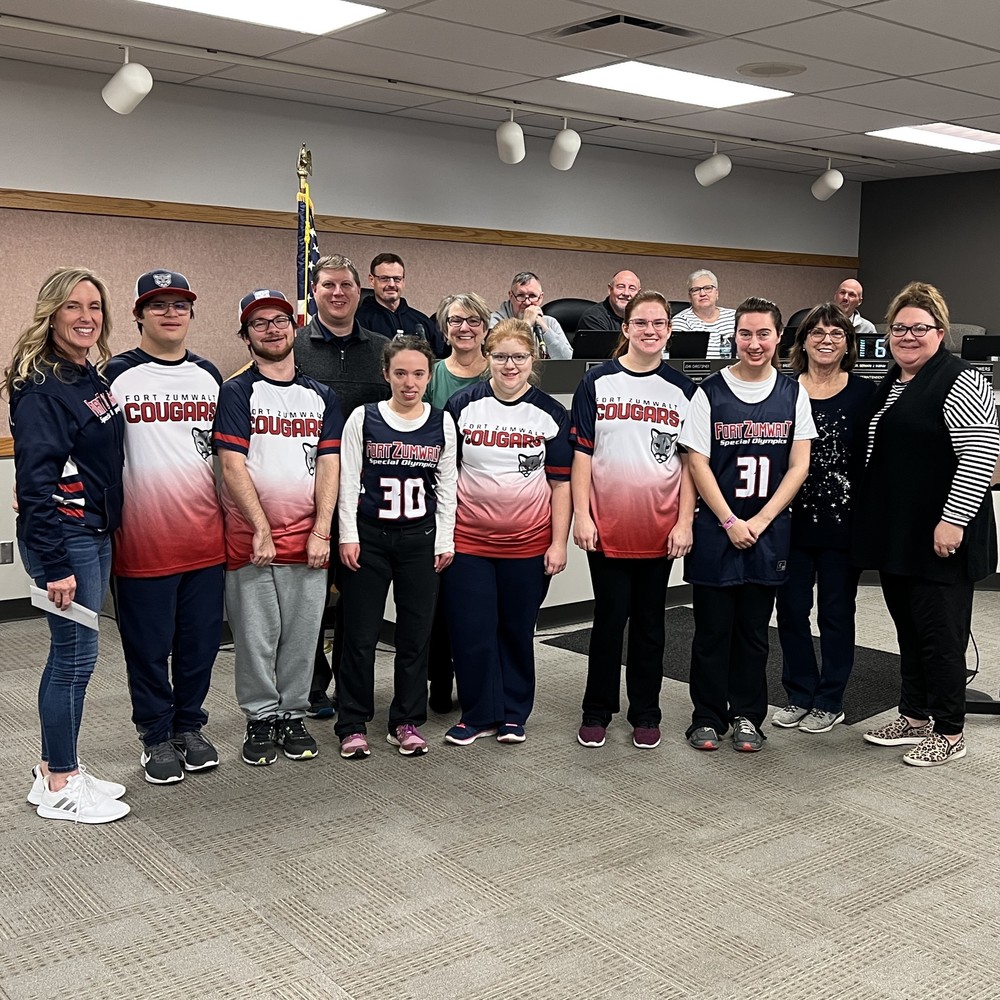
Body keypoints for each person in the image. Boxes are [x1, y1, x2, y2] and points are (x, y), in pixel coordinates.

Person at [852, 281, 999, 766]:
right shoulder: (893, 382)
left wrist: (953, 521)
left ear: (941, 331)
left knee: (940, 634)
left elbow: (979, 450)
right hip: (900, 534)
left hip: (941, 535)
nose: (907, 337)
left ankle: (950, 730)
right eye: (899, 328)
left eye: (919, 328)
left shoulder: (960, 378)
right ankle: (914, 716)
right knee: (909, 631)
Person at [7, 267, 129, 823]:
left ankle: (61, 766)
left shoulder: (86, 374)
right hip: (66, 538)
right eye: (73, 307)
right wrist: (54, 564)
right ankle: (59, 780)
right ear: (51, 313)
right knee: (73, 657)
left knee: (79, 655)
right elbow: (34, 484)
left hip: (93, 529)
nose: (87, 317)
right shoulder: (41, 386)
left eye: (95, 306)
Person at [681, 297, 816, 753]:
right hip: (718, 530)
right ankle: (706, 715)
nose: (754, 343)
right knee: (712, 630)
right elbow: (697, 463)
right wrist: (729, 520)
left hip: (768, 531)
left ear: (778, 337)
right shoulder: (709, 391)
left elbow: (799, 465)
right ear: (733, 337)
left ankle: (746, 716)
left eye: (763, 334)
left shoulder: (793, 391)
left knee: (755, 632)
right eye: (745, 334)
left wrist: (758, 520)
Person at [214, 289, 343, 766]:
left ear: (295, 327)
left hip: (308, 539)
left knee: (303, 633)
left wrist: (322, 530)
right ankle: (260, 716)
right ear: (246, 335)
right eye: (259, 323)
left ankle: (291, 713)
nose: (272, 329)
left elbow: (330, 465)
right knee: (256, 635)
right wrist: (261, 529)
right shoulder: (235, 391)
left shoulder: (322, 396)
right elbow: (232, 465)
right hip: (250, 540)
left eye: (280, 320)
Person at [108, 269, 226, 785]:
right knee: (149, 648)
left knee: (200, 645)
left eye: (180, 305)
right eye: (158, 305)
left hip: (205, 539)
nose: (171, 313)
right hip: (142, 539)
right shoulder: (113, 375)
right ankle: (155, 735)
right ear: (138, 314)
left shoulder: (209, 376)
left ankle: (189, 727)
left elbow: (225, 458)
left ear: (192, 314)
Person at [571, 291, 696, 750]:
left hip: (660, 529)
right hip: (606, 527)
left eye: (659, 323)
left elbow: (689, 465)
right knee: (607, 621)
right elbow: (582, 454)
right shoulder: (597, 382)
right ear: (625, 329)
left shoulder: (683, 390)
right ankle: (597, 710)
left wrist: (685, 522)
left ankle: (646, 711)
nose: (650, 331)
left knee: (650, 624)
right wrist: (580, 516)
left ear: (669, 330)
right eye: (641, 322)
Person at [442, 318, 572, 744]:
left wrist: (558, 543)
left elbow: (559, 484)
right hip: (470, 543)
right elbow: (447, 475)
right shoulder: (461, 405)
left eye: (519, 357)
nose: (510, 365)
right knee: (472, 630)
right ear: (488, 358)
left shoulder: (551, 413)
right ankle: (477, 713)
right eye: (501, 356)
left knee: (516, 631)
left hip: (529, 545)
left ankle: (514, 713)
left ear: (532, 359)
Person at [335, 336, 458, 759]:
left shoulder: (441, 422)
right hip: (368, 538)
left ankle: (406, 720)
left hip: (419, 540)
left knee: (414, 636)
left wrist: (445, 538)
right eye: (401, 373)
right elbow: (348, 481)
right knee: (360, 635)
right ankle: (351, 722)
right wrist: (347, 535)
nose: (410, 382)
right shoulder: (363, 418)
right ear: (386, 374)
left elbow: (447, 488)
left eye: (419, 374)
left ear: (429, 376)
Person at [771, 303, 875, 734]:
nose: (826, 340)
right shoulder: (784, 390)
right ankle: (799, 692)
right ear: (803, 341)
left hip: (842, 525)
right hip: (789, 523)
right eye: (817, 332)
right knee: (792, 611)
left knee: (835, 613)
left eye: (836, 333)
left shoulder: (866, 393)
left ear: (848, 343)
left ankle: (830, 699)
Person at [294, 254, 390, 719]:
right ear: (315, 291)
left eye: (347, 286)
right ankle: (312, 686)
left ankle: (351, 688)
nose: (338, 293)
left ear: (359, 291)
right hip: (306, 495)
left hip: (366, 496)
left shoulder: (384, 349)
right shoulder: (292, 348)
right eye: (328, 285)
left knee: (357, 604)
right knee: (310, 599)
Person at [423, 292, 492, 712]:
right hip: (438, 501)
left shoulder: (504, 369)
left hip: (488, 506)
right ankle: (439, 681)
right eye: (454, 321)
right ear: (443, 328)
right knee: (438, 603)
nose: (463, 328)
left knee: (477, 606)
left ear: (485, 326)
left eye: (472, 321)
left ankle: (476, 682)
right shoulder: (429, 374)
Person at [356, 252, 446, 357]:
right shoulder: (359, 321)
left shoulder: (422, 321)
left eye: (397, 279)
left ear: (403, 281)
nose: (391, 284)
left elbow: (437, 361)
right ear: (371, 280)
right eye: (384, 278)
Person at [488, 271, 572, 359]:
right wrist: (526, 323)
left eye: (532, 296)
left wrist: (544, 328)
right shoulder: (495, 321)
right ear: (511, 296)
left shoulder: (550, 322)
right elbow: (504, 357)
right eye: (521, 295)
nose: (527, 302)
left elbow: (567, 359)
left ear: (541, 297)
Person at [671, 269, 737, 359]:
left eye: (708, 288)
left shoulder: (735, 317)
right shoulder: (681, 322)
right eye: (696, 290)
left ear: (717, 293)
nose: (702, 293)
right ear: (690, 297)